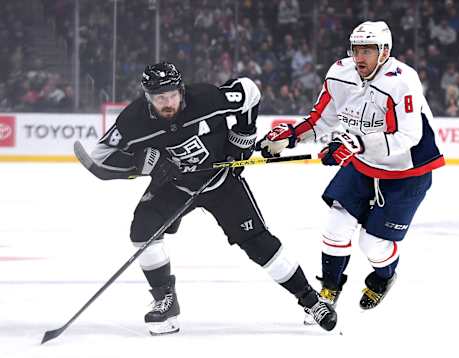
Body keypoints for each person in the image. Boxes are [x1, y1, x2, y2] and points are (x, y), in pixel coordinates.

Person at [88, 62, 336, 335]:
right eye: (159, 98)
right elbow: (100, 159)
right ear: (147, 96)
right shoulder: (133, 120)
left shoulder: (206, 98)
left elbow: (249, 91)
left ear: (181, 89)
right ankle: (165, 302)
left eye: (172, 95)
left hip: (220, 181)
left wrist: (243, 135)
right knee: (142, 230)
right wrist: (143, 163)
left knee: (258, 244)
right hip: (175, 185)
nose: (167, 102)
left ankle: (312, 300)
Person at [257, 21, 445, 312]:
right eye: (356, 50)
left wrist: (354, 143)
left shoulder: (401, 81)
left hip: (406, 173)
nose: (360, 58)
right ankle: (329, 291)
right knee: (335, 227)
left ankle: (383, 278)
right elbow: (323, 119)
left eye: (368, 51)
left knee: (372, 245)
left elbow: (408, 136)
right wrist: (294, 135)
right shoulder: (341, 73)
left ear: (384, 52)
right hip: (363, 164)